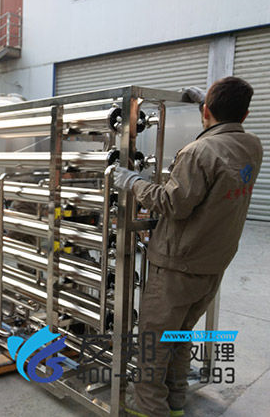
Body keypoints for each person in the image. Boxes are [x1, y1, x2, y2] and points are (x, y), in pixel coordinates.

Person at [113, 77, 263, 417]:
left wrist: (133, 182)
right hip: (213, 263)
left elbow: (172, 204)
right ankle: (176, 401)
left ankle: (147, 407)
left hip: (177, 264)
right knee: (179, 335)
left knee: (153, 340)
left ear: (207, 111)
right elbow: (220, 155)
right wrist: (204, 108)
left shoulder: (198, 152)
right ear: (245, 114)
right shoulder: (253, 146)